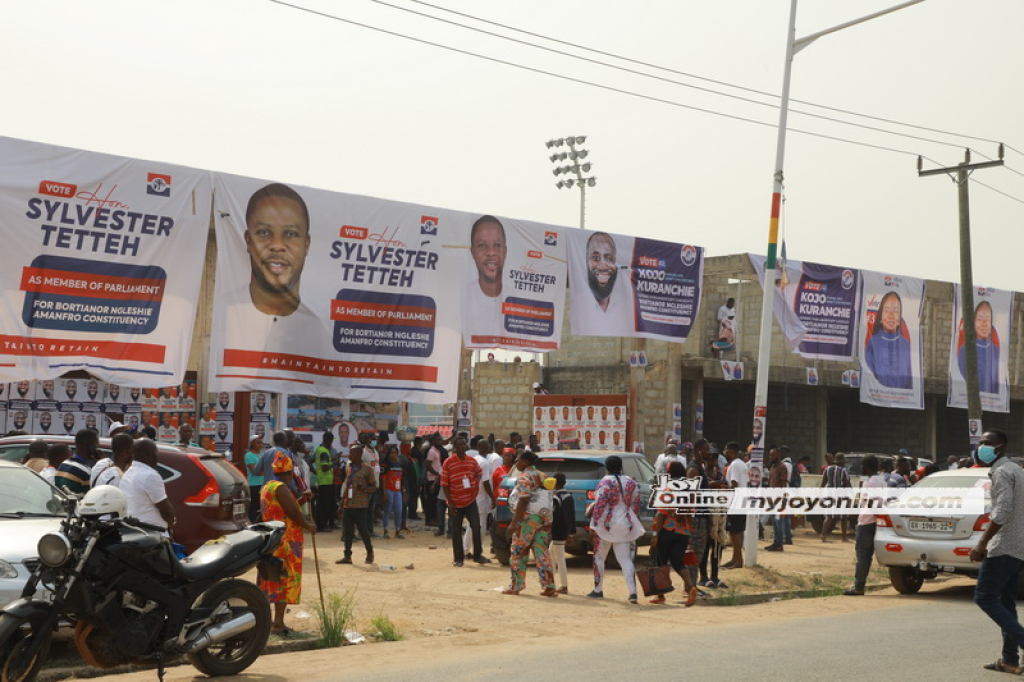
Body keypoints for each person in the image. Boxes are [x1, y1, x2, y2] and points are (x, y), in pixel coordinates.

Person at [969, 429, 1024, 674]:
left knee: (985, 596)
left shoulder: (1002, 471)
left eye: (987, 443)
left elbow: (1003, 511)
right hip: (1018, 545)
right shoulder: (1016, 470)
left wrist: (981, 544)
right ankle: (1009, 659)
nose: (982, 447)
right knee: (1005, 601)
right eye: (980, 443)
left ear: (1000, 447)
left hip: (1003, 545)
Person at [258, 450, 316, 636]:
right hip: (285, 542)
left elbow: (285, 509)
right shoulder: (281, 488)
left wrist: (302, 499)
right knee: (282, 582)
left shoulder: (268, 486)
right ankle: (278, 623)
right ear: (289, 473)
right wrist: (309, 526)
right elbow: (293, 513)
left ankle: (268, 622)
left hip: (273, 539)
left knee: (272, 580)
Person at [244, 183, 311, 317]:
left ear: (306, 245)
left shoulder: (321, 321)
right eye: (264, 232)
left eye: (291, 234)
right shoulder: (218, 310)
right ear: (248, 240)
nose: (277, 245)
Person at [587, 455, 643, 603]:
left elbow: (599, 505)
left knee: (599, 558)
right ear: (621, 466)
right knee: (625, 560)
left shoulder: (605, 482)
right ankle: (633, 592)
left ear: (607, 467)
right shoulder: (631, 482)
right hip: (625, 524)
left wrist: (593, 525)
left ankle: (598, 589)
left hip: (606, 525)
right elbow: (636, 504)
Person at [502, 450, 557, 597]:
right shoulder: (541, 475)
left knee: (518, 551)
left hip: (528, 519)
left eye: (518, 460)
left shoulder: (525, 477)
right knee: (541, 550)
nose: (516, 463)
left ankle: (516, 585)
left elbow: (524, 499)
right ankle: (549, 585)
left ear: (525, 462)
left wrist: (514, 523)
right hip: (544, 518)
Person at [649, 461, 698, 606]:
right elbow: (691, 513)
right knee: (678, 562)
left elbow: (662, 514)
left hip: (667, 531)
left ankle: (661, 595)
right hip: (683, 532)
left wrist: (655, 535)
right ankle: (691, 587)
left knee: (661, 563)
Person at [573, 231, 634, 336]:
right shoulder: (576, 304)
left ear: (615, 261)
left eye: (609, 258)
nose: (602, 266)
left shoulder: (627, 307)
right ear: (586, 260)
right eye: (596, 258)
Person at [442, 437, 486, 566]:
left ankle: (478, 555)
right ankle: (458, 559)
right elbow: (444, 484)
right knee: (456, 531)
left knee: (476, 526)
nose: (462, 446)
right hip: (455, 502)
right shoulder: (448, 462)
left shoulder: (472, 461)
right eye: (459, 444)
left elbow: (479, 472)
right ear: (455, 447)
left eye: (464, 444)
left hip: (470, 500)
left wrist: (475, 482)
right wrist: (450, 502)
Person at [464, 215, 508, 344]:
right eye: (482, 245)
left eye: (497, 245)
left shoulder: (520, 302)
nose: (491, 252)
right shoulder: (460, 298)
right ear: (472, 252)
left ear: (505, 252)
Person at [845, 455, 884, 596]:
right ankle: (859, 585)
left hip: (866, 522)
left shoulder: (869, 483)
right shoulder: (881, 480)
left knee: (863, 555)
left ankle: (858, 586)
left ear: (866, 467)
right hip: (877, 522)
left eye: (862, 465)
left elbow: (870, 503)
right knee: (866, 555)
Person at [121, 438, 175, 534]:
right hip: (153, 533)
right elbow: (166, 510)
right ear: (150, 454)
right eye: (156, 452)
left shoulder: (127, 473)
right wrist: (172, 522)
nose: (157, 456)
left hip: (134, 531)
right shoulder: (150, 476)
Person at [864, 291, 913, 389]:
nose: (891, 315)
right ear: (881, 316)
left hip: (901, 400)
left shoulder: (906, 345)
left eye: (895, 311)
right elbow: (868, 376)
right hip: (878, 397)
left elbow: (910, 380)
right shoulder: (872, 343)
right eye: (886, 310)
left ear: (900, 317)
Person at [337, 445, 376, 565]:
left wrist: (364, 488)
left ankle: (370, 552)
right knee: (347, 532)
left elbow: (374, 487)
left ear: (359, 455)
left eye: (351, 453)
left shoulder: (367, 469)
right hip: (348, 504)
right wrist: (341, 504)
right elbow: (347, 486)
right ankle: (347, 556)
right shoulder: (350, 468)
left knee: (363, 530)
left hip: (360, 505)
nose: (349, 456)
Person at [957, 300, 1000, 394]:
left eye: (988, 318)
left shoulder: (996, 352)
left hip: (991, 402)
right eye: (980, 318)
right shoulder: (964, 350)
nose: (984, 323)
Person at [723, 441, 748, 569]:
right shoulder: (742, 464)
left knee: (734, 532)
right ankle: (735, 558)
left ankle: (739, 560)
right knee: (738, 531)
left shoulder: (734, 465)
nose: (725, 453)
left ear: (731, 451)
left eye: (726, 451)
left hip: (736, 501)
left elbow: (733, 484)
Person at [55, 428, 101, 495]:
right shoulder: (85, 472)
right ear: (90, 446)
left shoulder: (63, 465)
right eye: (96, 444)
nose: (97, 448)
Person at [550, 472, 575, 594]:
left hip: (557, 531)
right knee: (552, 555)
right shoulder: (569, 496)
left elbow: (554, 517)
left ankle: (563, 586)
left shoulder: (556, 498)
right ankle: (551, 581)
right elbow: (572, 516)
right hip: (565, 530)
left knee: (559, 559)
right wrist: (571, 533)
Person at [820, 453, 852, 542]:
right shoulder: (844, 470)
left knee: (829, 515)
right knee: (843, 516)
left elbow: (823, 483)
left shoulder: (827, 469)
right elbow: (847, 483)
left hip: (830, 494)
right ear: (843, 462)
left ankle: (823, 534)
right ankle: (844, 537)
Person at [764, 447, 790, 552]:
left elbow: (784, 484)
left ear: (778, 455)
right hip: (772, 498)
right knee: (774, 522)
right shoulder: (773, 467)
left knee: (779, 522)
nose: (771, 457)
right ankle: (775, 542)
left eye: (773, 455)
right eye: (770, 455)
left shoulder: (782, 467)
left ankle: (779, 544)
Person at [313, 433, 337, 532]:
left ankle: (322, 525)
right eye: (331, 440)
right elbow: (324, 468)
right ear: (326, 439)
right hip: (325, 481)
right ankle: (321, 525)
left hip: (323, 481)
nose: (331, 442)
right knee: (323, 505)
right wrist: (335, 463)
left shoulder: (319, 450)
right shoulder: (324, 452)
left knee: (323, 505)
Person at [381, 445, 404, 539]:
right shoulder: (384, 464)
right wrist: (384, 492)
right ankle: (386, 531)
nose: (393, 455)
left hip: (397, 491)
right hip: (389, 490)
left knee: (399, 511)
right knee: (387, 510)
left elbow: (400, 478)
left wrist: (403, 490)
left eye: (395, 453)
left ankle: (397, 531)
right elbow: (383, 479)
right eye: (391, 453)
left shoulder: (398, 464)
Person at [245, 434, 265, 522]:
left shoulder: (262, 454)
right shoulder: (249, 455)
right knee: (254, 506)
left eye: (261, 443)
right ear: (252, 443)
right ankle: (252, 523)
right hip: (254, 485)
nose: (260, 445)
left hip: (263, 484)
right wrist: (267, 471)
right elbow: (255, 471)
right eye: (258, 443)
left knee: (262, 506)